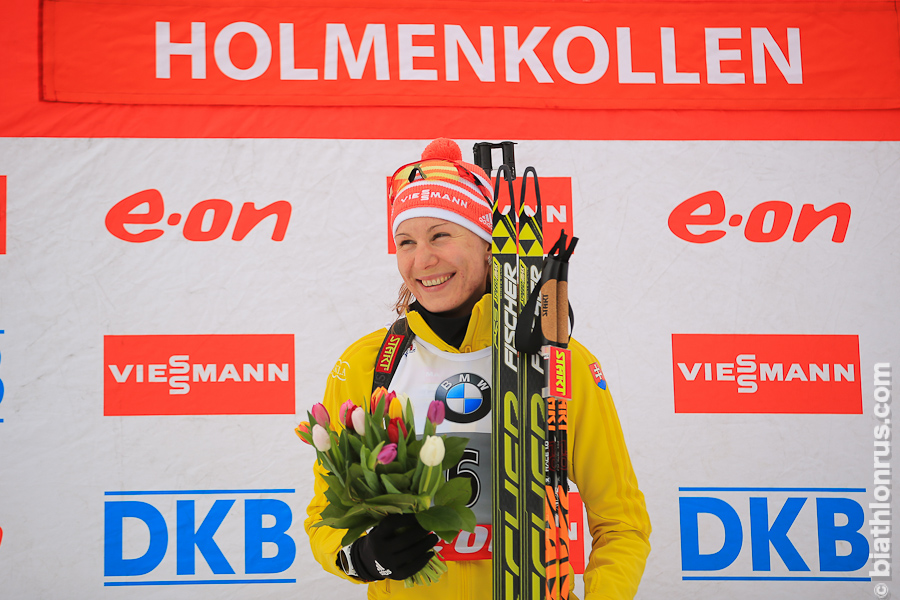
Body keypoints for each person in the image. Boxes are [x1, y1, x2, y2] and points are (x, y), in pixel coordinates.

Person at [304, 138, 651, 599]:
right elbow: (327, 513)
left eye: (441, 235)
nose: (422, 260)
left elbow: (621, 522)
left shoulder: (559, 361)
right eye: (406, 241)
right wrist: (363, 556)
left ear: (489, 245)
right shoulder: (368, 364)